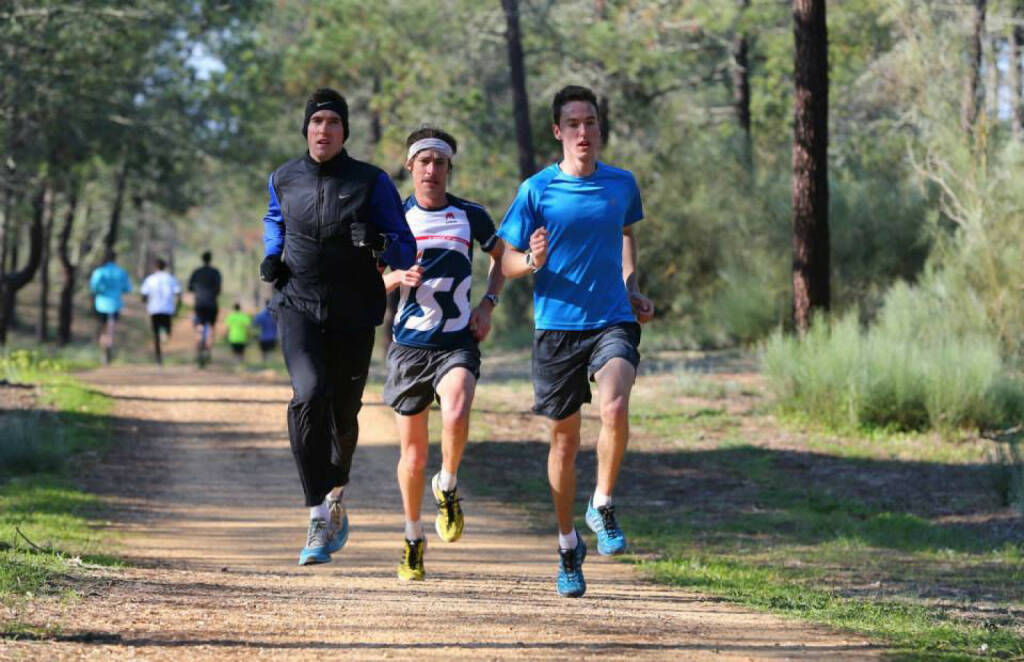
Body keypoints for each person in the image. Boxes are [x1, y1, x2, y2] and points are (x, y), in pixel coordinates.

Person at [498, 85, 654, 598]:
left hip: (611, 318)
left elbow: (627, 234)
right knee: (563, 441)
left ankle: (602, 503)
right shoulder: (536, 190)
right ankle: (567, 542)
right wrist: (533, 260)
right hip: (557, 328)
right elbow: (506, 261)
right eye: (573, 124)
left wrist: (632, 287)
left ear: (599, 129)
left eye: (590, 123)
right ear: (557, 132)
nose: (583, 132)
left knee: (613, 404)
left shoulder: (621, 184)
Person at [259, 87, 415, 566]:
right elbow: (274, 219)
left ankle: (334, 497)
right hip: (298, 304)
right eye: (316, 121)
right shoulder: (284, 178)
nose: (322, 130)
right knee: (308, 396)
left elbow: (406, 249)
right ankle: (316, 515)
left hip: (352, 310)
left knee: (343, 415)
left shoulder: (371, 182)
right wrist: (271, 254)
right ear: (306, 128)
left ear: (344, 130)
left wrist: (380, 241)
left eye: (332, 122)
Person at [382, 127, 505, 581]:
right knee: (412, 457)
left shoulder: (470, 215)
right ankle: (413, 537)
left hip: (456, 341)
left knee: (456, 408)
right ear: (410, 167)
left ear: (449, 168)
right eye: (424, 161)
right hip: (410, 348)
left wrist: (488, 304)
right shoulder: (393, 218)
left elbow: (501, 255)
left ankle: (448, 484)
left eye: (440, 162)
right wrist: (397, 279)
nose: (432, 169)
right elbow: (368, 280)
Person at [89, 249, 132, 364]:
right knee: (111, 327)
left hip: (101, 305)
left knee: (103, 327)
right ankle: (109, 345)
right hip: (115, 304)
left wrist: (102, 290)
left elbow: (94, 287)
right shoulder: (121, 272)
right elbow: (127, 288)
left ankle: (103, 349)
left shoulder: (99, 272)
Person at [139, 257, 181, 365]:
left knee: (155, 334)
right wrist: (178, 307)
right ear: (165, 267)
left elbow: (143, 295)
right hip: (167, 308)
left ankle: (158, 357)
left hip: (154, 309)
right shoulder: (171, 279)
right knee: (167, 330)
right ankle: (165, 336)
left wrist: (145, 302)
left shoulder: (150, 279)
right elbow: (178, 293)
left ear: (155, 267)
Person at [188, 250, 222, 367]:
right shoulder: (216, 272)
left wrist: (198, 291)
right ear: (210, 259)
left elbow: (190, 288)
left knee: (199, 327)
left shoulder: (196, 272)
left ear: (202, 259)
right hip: (212, 303)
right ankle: (208, 350)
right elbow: (218, 289)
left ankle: (199, 351)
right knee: (211, 327)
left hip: (199, 304)